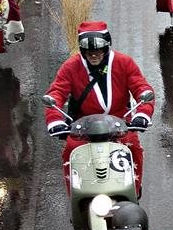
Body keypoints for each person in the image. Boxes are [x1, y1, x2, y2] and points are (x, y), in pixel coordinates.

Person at [44, 22, 155, 196]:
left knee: (132, 147)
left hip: (120, 124)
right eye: (89, 50)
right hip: (84, 128)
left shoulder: (124, 62)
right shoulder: (71, 66)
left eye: (99, 49)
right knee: (70, 151)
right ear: (82, 50)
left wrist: (142, 115)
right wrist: (55, 120)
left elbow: (143, 89)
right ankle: (76, 196)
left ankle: (133, 189)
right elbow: (56, 93)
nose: (94, 54)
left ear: (106, 48)